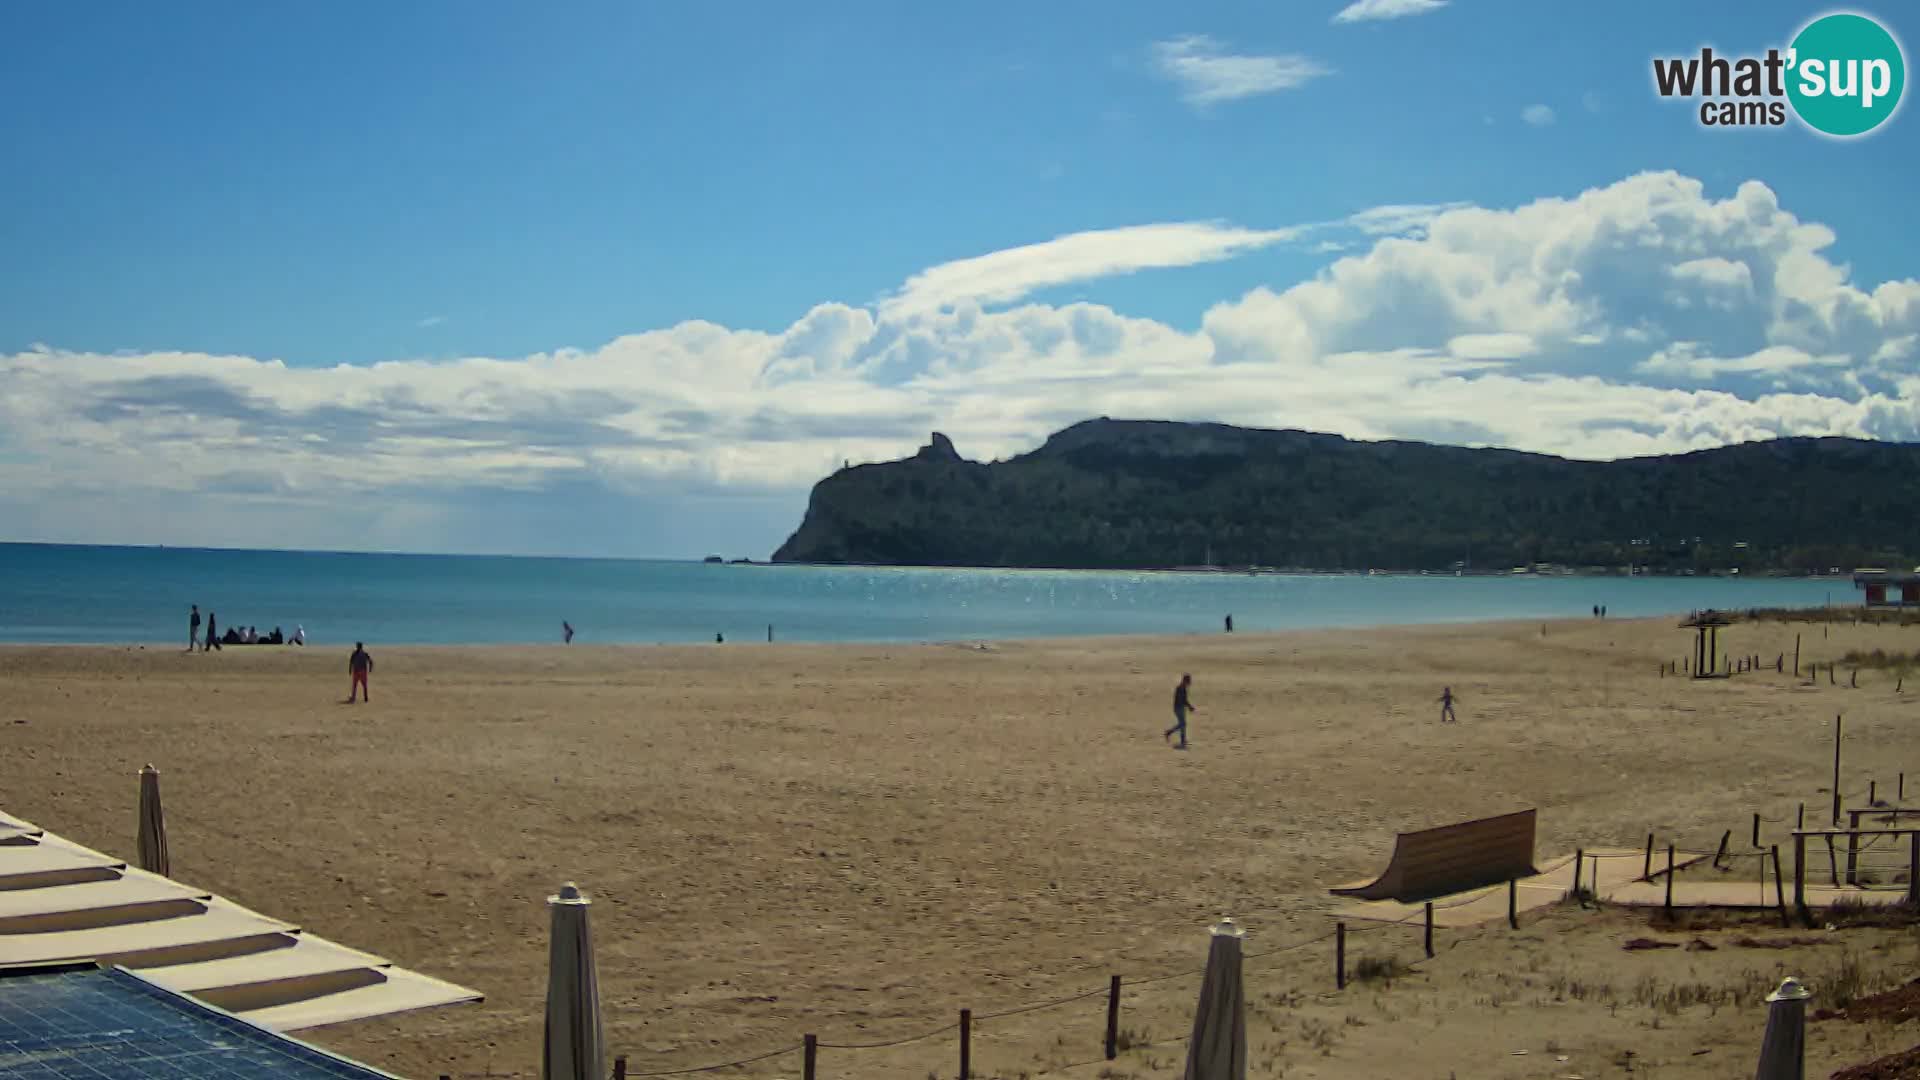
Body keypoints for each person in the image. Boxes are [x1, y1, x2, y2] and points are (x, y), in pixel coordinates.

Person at [1164, 674, 1196, 749]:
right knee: (1183, 724)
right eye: (1188, 682)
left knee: (1183, 725)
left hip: (1180, 708)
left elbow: (1184, 700)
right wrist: (1189, 706)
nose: (1189, 684)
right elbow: (1182, 700)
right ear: (1185, 681)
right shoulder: (1180, 688)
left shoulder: (1182, 688)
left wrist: (1188, 706)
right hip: (1178, 708)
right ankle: (1169, 732)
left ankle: (1183, 741)